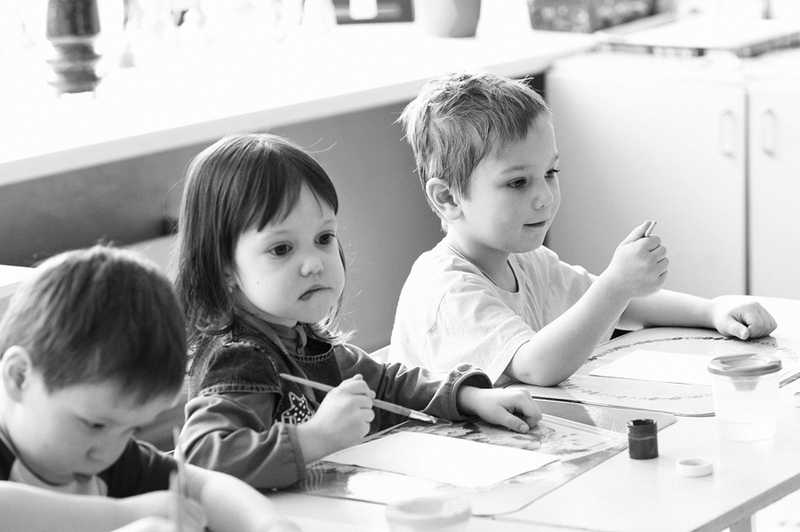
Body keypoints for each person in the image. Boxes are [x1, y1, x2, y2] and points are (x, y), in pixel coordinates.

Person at [174, 132, 542, 490]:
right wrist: (315, 438)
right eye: (281, 249)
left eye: (323, 238)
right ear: (224, 268)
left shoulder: (305, 339)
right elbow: (202, 459)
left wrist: (469, 397)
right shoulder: (239, 359)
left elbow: (386, 385)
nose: (314, 264)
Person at [388, 71, 778, 387]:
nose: (545, 197)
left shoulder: (526, 262)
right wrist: (616, 284)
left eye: (550, 172)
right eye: (517, 182)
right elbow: (536, 366)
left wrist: (712, 310)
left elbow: (621, 305)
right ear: (448, 198)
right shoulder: (448, 292)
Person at [0, 245, 300, 532]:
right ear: (19, 377)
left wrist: (271, 526)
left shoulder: (107, 453)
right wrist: (122, 516)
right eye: (94, 425)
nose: (107, 453)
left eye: (131, 430)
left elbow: (207, 487)